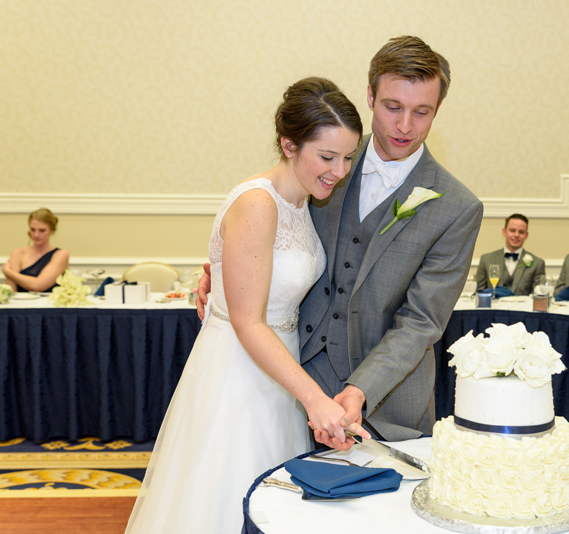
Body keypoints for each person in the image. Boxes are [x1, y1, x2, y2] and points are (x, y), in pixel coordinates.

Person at [198, 36, 484, 446]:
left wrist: (361, 388)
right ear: (370, 96)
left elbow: (422, 320)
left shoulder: (458, 207)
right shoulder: (323, 160)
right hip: (291, 385)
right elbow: (259, 220)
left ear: (438, 110)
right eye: (392, 107)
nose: (405, 126)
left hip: (389, 407)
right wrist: (220, 272)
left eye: (422, 112)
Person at [126, 77, 368, 534]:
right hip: (240, 372)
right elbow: (248, 321)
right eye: (327, 156)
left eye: (348, 157)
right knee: (228, 497)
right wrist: (314, 399)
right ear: (288, 144)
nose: (339, 170)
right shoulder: (260, 203)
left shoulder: (304, 200)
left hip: (279, 368)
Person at [475, 213, 545, 295]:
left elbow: (538, 295)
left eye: (521, 232)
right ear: (504, 232)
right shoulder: (486, 259)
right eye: (512, 230)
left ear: (526, 235)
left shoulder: (537, 263)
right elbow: (479, 292)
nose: (516, 235)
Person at [2, 208, 69, 292]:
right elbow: (11, 289)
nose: (36, 235)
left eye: (42, 230)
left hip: (48, 304)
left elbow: (38, 285)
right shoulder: (18, 253)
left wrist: (8, 272)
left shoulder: (60, 255)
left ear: (51, 231)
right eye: (33, 230)